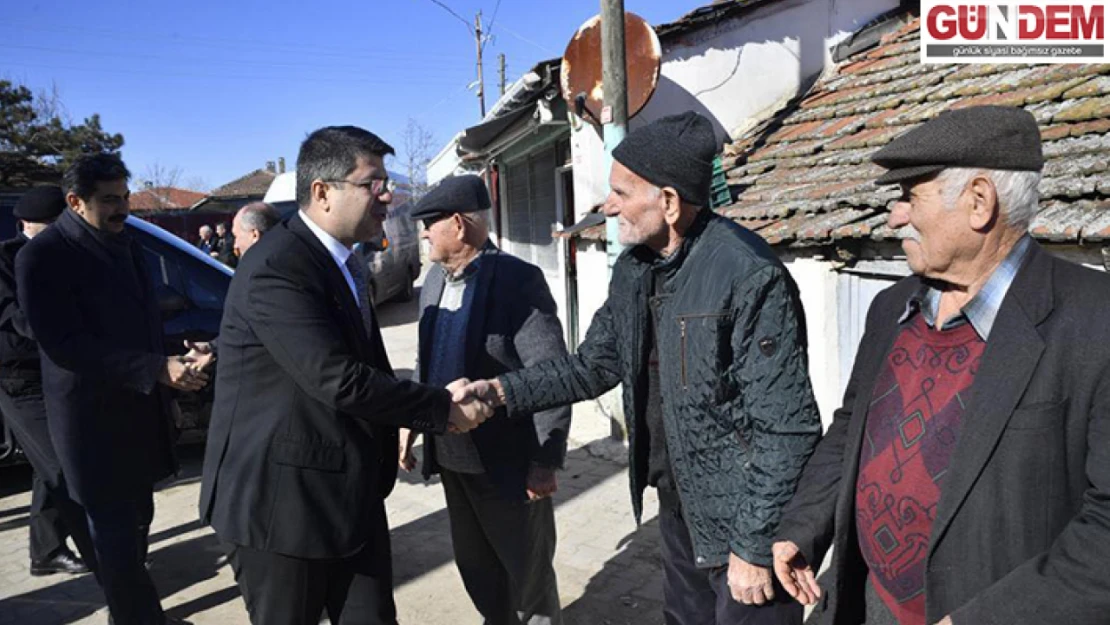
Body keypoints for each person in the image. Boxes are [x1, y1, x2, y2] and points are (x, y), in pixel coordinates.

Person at [462, 112, 821, 625]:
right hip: (680, 505)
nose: (607, 206)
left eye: (621, 193)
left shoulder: (749, 276)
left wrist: (753, 545)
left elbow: (789, 429)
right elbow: (589, 367)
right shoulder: (635, 270)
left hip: (743, 517)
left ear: (669, 203)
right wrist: (497, 391)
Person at [771, 105, 1110, 625]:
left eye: (910, 197)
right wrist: (803, 524)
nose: (894, 216)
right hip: (863, 601)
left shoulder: (1094, 320)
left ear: (978, 202)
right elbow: (851, 427)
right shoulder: (892, 308)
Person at [198, 125, 493, 625]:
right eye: (372, 184)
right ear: (322, 192)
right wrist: (440, 409)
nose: (388, 196)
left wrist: (404, 417)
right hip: (282, 508)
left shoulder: (342, 261)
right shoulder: (278, 266)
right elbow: (337, 378)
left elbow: (366, 365)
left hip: (348, 495)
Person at [17, 154, 207, 625]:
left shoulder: (127, 246)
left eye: (124, 197)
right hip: (92, 426)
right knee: (116, 546)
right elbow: (64, 345)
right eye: (110, 201)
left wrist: (178, 351)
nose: (123, 209)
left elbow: (139, 325)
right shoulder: (43, 256)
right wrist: (155, 368)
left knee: (135, 528)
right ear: (75, 202)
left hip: (141, 414)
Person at [400, 175, 569, 625]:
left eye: (429, 224)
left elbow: (551, 373)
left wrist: (546, 458)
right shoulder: (434, 280)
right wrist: (411, 424)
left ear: (458, 224)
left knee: (527, 577)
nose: (423, 234)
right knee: (476, 567)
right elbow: (426, 360)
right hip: (454, 462)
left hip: (509, 465)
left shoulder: (516, 280)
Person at [0, 186, 94, 578]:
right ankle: (106, 560)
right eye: (49, 228)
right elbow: (20, 318)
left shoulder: (67, 257)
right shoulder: (5, 259)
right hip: (18, 380)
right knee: (63, 468)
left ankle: (46, 550)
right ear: (26, 225)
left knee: (48, 466)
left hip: (56, 372)